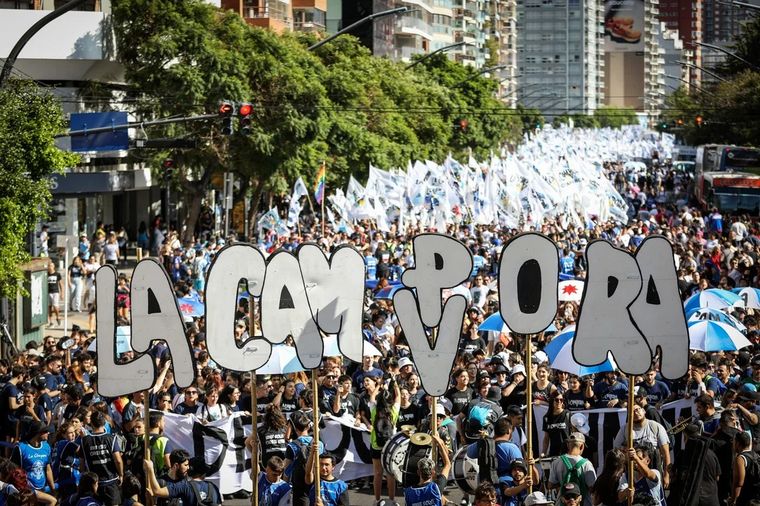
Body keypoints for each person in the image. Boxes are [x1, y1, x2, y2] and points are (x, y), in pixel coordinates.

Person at [612, 404, 671, 488]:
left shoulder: (656, 427)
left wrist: (666, 475)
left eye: (637, 409)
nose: (635, 413)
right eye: (632, 411)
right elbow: (616, 452)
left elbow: (666, 454)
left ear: (644, 411)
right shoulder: (625, 429)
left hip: (653, 471)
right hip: (632, 474)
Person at [78, 411, 123, 506]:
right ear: (104, 423)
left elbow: (81, 463)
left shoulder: (85, 440)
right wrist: (121, 474)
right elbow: (118, 460)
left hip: (93, 483)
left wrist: (84, 476)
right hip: (110, 481)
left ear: (92, 423)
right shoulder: (111, 438)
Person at [143, 454, 222, 506]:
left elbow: (157, 491)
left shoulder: (184, 486)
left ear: (190, 470)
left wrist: (150, 470)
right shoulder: (214, 487)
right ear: (204, 473)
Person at [369, 377, 400, 506]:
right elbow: (398, 395)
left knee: (377, 473)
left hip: (376, 446)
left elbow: (372, 397)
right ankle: (392, 500)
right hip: (389, 447)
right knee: (390, 474)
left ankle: (377, 500)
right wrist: (394, 381)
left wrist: (379, 385)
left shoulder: (374, 410)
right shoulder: (393, 411)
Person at [547, 433, 596, 506]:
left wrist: (565, 485)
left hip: (562, 503)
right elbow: (593, 488)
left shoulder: (556, 462)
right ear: (582, 446)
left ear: (567, 445)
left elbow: (550, 485)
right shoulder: (587, 464)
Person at [11, 420, 54, 493]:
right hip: (26, 491)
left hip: (42, 489)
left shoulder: (46, 446)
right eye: (46, 431)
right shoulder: (21, 448)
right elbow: (13, 471)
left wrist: (53, 489)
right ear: (38, 433)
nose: (48, 433)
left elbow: (48, 469)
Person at [731, 431, 760, 506]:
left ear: (738, 443)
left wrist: (733, 500)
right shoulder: (756, 455)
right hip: (756, 496)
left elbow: (739, 483)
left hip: (745, 497)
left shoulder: (740, 458)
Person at [542, 390, 571, 457]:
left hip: (567, 453)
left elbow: (573, 433)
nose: (559, 402)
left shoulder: (568, 414)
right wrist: (543, 452)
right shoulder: (546, 418)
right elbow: (546, 438)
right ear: (552, 401)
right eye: (557, 400)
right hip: (553, 453)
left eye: (561, 400)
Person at [47, 262, 63, 327]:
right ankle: (51, 322)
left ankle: (58, 317)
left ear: (53, 267)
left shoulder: (57, 274)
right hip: (48, 292)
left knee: (55, 306)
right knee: (49, 307)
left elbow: (60, 284)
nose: (50, 267)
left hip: (55, 292)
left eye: (51, 266)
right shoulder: (46, 274)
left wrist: (62, 293)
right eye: (49, 266)